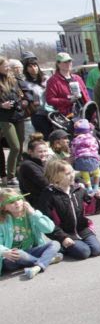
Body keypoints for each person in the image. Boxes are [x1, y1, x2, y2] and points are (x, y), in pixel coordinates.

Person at [39, 158, 100, 260]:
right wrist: (62, 237)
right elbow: (48, 222)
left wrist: (98, 199)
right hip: (65, 233)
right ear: (55, 176)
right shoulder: (48, 195)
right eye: (67, 174)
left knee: (97, 250)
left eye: (72, 172)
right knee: (84, 252)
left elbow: (91, 209)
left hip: (82, 229)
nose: (72, 175)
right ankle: (62, 247)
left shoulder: (78, 189)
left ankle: (77, 243)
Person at [0, 188, 62, 279]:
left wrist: (34, 214)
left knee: (55, 244)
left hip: (32, 252)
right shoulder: (2, 222)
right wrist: (3, 252)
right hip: (12, 257)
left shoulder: (30, 214)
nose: (17, 203)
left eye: (19, 199)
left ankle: (37, 266)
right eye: (11, 202)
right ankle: (45, 260)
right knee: (18, 253)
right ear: (4, 207)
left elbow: (49, 229)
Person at [0, 57, 27, 186]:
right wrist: (1, 105)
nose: (7, 68)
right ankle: (10, 176)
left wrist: (25, 99)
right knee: (15, 147)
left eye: (7, 66)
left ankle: (18, 172)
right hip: (4, 117)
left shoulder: (14, 78)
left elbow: (25, 90)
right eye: (4, 66)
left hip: (18, 114)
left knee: (21, 145)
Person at [45, 52, 87, 117]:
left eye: (69, 61)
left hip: (82, 112)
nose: (68, 64)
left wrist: (91, 113)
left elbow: (86, 96)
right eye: (65, 62)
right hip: (65, 115)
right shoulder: (53, 81)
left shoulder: (77, 78)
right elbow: (50, 100)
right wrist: (68, 101)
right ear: (58, 64)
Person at [70, 119, 100, 194]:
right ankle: (96, 187)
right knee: (97, 171)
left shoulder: (75, 139)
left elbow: (73, 149)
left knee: (84, 173)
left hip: (80, 158)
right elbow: (96, 147)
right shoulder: (92, 138)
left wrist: (73, 155)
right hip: (92, 157)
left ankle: (89, 188)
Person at [16, 139, 49, 209]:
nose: (44, 154)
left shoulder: (41, 163)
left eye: (45, 151)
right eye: (40, 152)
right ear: (30, 152)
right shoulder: (27, 165)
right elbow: (45, 182)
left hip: (44, 199)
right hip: (36, 203)